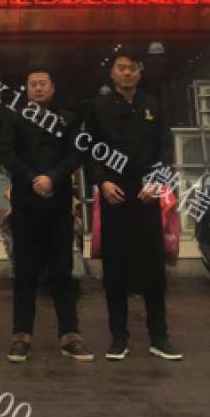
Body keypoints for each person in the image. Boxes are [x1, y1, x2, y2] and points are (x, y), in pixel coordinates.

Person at [83, 48, 182, 361]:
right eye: (121, 67)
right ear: (112, 73)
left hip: (147, 194)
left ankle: (159, 337)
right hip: (114, 194)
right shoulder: (97, 107)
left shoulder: (153, 106)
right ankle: (118, 338)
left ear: (140, 72)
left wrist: (156, 182)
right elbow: (89, 150)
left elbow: (165, 149)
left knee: (153, 269)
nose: (127, 73)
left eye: (132, 68)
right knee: (115, 269)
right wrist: (102, 182)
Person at [0, 69, 93, 362]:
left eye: (43, 84)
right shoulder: (14, 118)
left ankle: (70, 335)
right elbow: (7, 154)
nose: (38, 88)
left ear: (52, 88)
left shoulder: (68, 119)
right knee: (24, 273)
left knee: (63, 273)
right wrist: (31, 179)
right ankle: (21, 336)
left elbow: (76, 154)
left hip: (58, 205)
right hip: (26, 206)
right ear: (26, 89)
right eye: (33, 84)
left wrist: (53, 178)